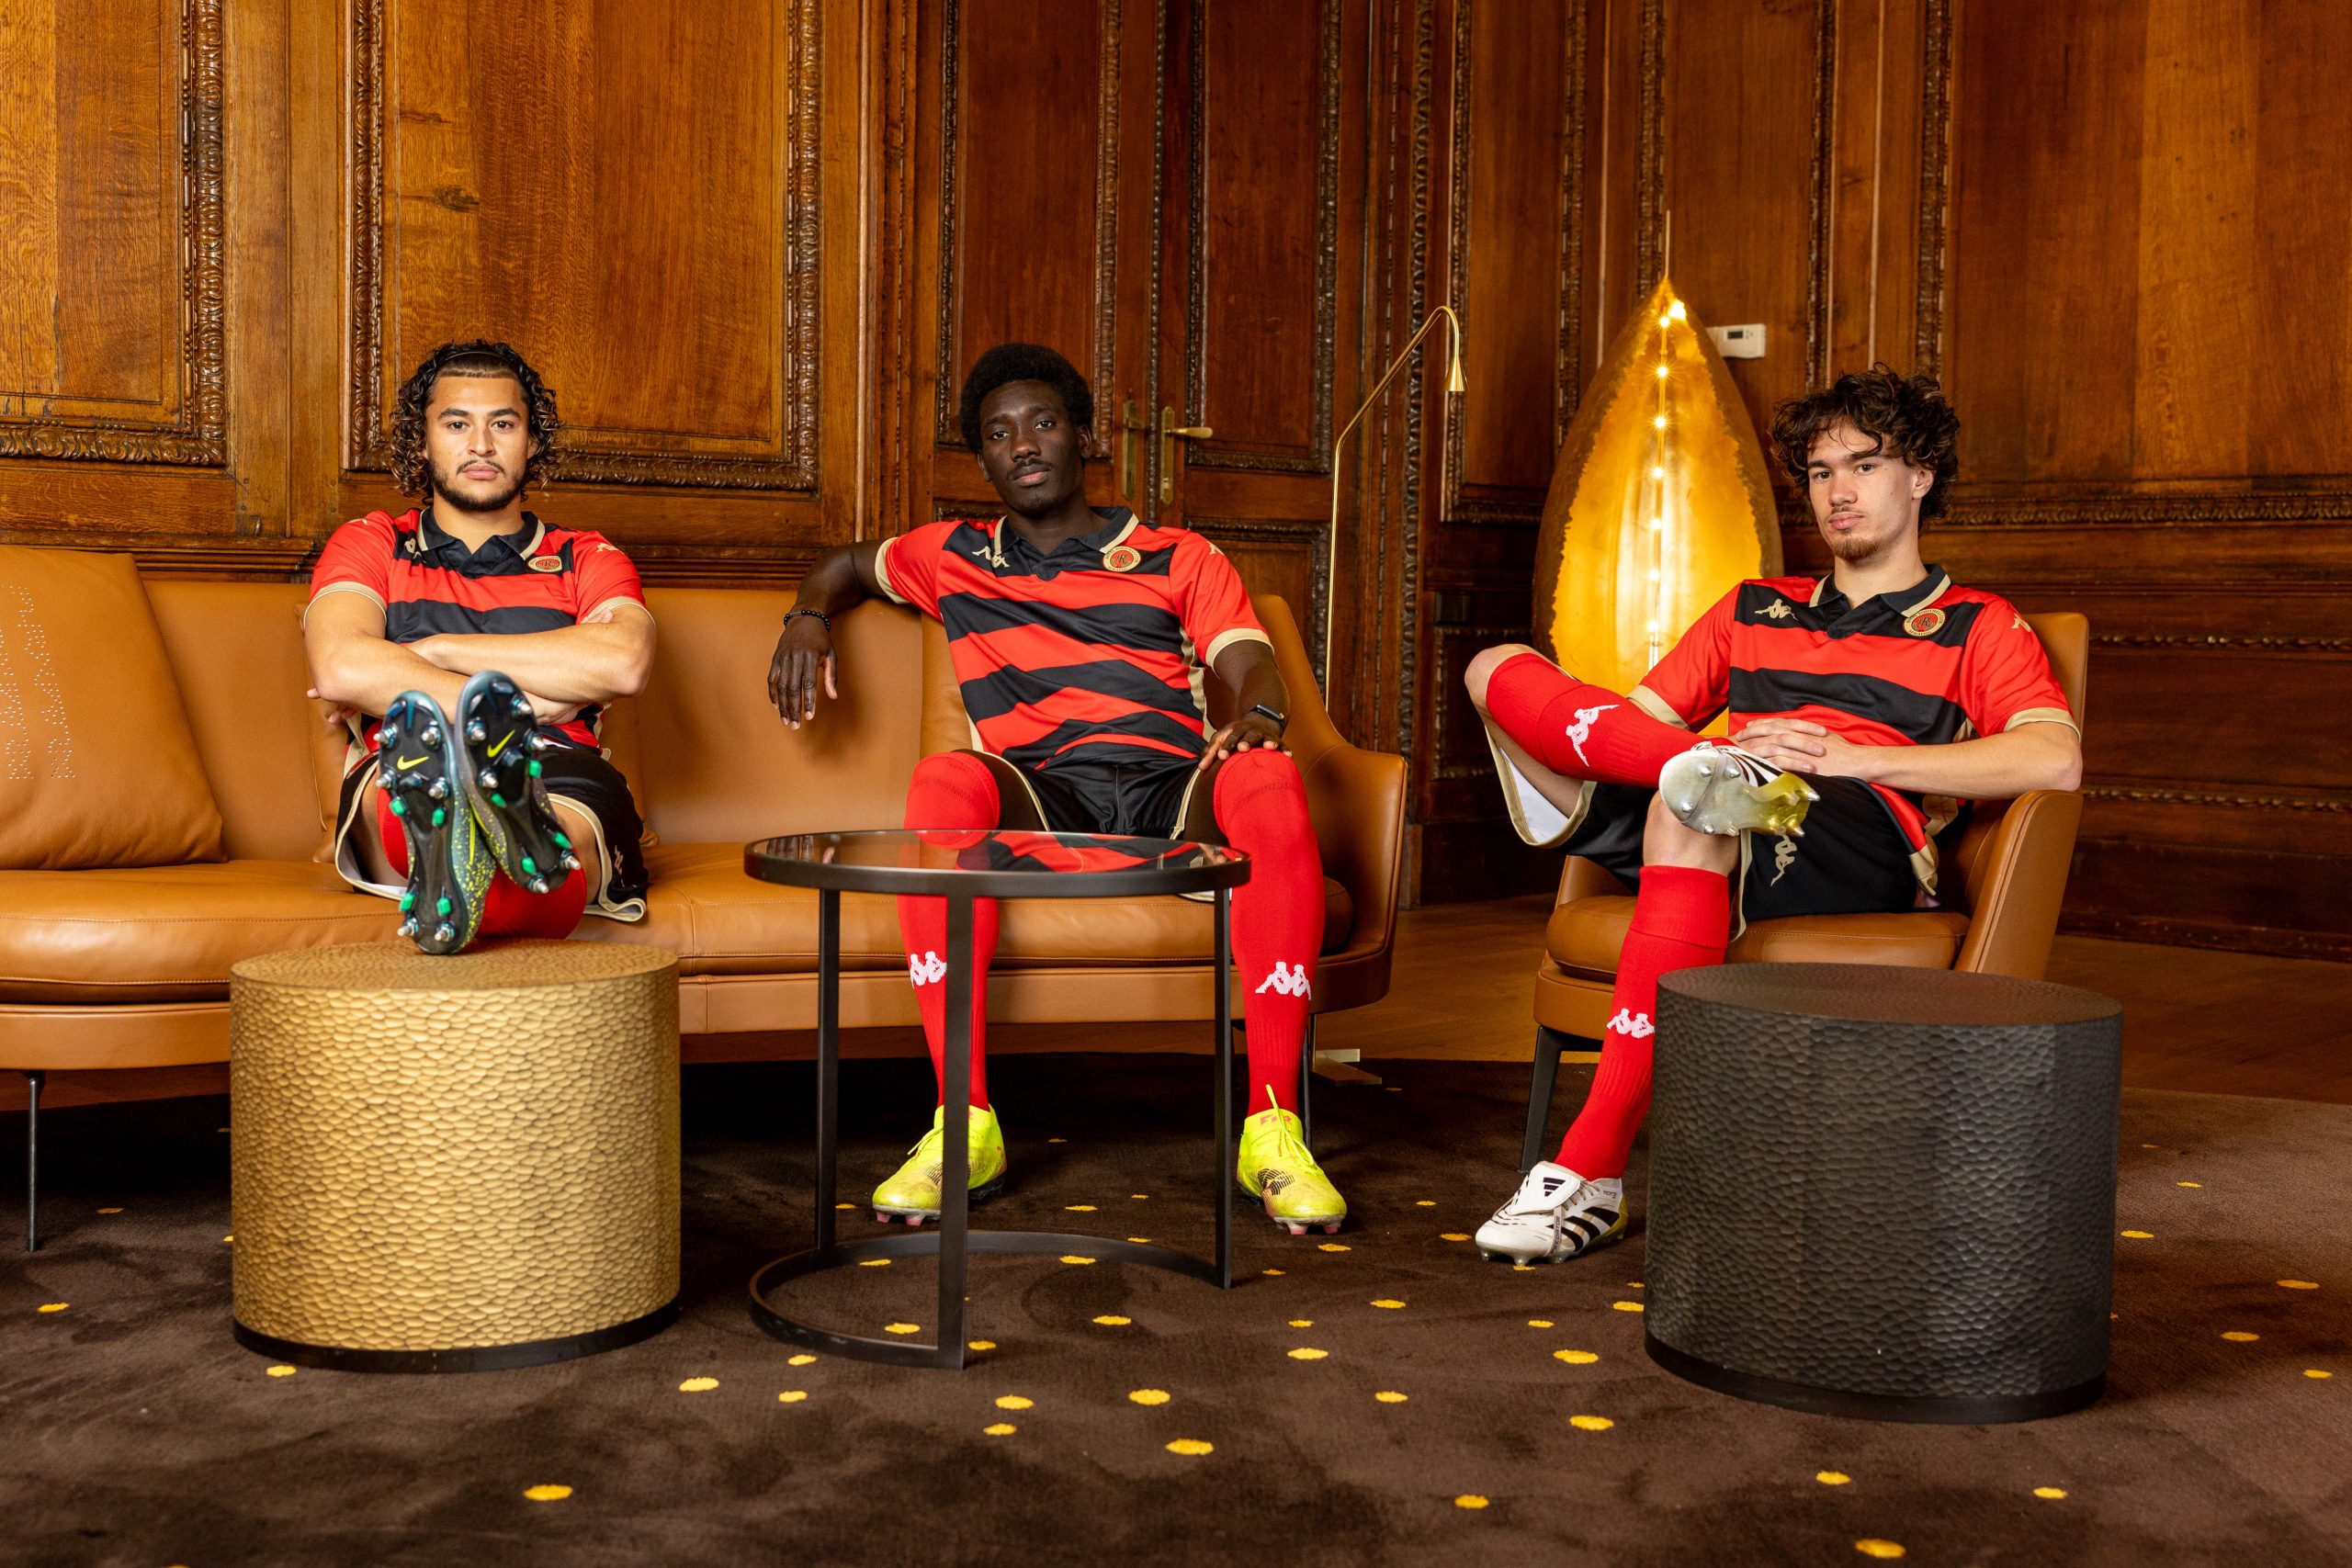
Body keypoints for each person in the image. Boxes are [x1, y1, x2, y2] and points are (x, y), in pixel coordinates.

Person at [1464, 365, 2081, 1263]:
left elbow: (2054, 756)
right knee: (1495, 668)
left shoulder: (1975, 622)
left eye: (1864, 466)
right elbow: (1624, 723)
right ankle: (1701, 776)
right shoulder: (1754, 607)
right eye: (1822, 471)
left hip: (1857, 829)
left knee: (1693, 807)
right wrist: (1705, 759)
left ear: (1920, 477)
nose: (1838, 491)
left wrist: (1851, 757)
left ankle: (1590, 1167)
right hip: (1707, 796)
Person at [766, 342, 1344, 1235]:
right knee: (944, 778)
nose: (1023, 445)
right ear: (983, 460)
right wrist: (807, 618)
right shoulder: (951, 554)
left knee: (1266, 776)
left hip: (1170, 790)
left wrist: (1263, 715)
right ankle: (964, 1125)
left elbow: (1246, 659)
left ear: (1082, 434)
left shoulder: (1175, 553)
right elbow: (845, 565)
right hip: (1042, 798)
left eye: (1042, 423)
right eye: (999, 434)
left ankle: (1273, 1126)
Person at [305, 340, 655, 954]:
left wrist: (436, 650)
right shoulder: (372, 541)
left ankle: (497, 835)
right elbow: (341, 664)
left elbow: (623, 660)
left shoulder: (585, 556)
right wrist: (519, 707)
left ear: (532, 441)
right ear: (422, 441)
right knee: (411, 776)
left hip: (556, 765)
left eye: (503, 424)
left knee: (564, 831)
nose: (481, 445)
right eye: (456, 424)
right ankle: (477, 823)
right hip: (413, 754)